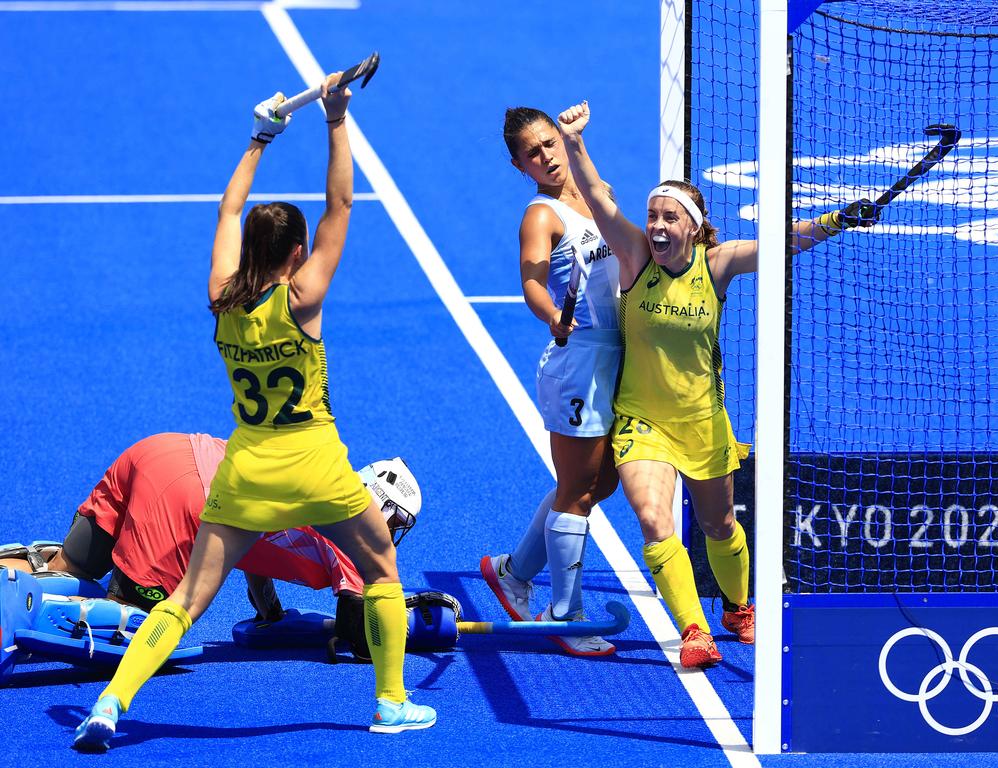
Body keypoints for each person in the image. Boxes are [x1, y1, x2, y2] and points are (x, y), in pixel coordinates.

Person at [72, 75, 434, 752]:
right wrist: (335, 119)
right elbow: (343, 202)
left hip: (245, 470)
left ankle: (110, 704)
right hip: (317, 467)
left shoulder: (221, 299)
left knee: (186, 601)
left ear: (251, 250)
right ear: (296, 254)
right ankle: (390, 701)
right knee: (382, 568)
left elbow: (224, 211)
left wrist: (259, 138)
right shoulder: (303, 298)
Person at [554, 100, 880, 668]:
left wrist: (835, 220)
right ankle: (694, 630)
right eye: (652, 215)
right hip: (642, 420)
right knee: (655, 520)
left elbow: (782, 242)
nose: (656, 225)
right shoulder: (635, 259)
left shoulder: (718, 262)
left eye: (667, 217)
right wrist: (575, 142)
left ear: (693, 226)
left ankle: (737, 605)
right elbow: (601, 202)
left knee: (719, 524)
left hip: (703, 422)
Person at [0, 432, 420, 622]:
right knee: (132, 624)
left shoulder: (315, 476)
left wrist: (269, 611)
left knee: (66, 570)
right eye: (397, 521)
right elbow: (362, 638)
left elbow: (256, 541)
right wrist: (419, 624)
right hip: (186, 498)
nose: (394, 533)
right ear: (380, 507)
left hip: (161, 450)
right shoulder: (351, 538)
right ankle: (19, 615)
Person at [480, 107, 622, 657]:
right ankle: (565, 613)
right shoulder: (540, 217)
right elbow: (533, 281)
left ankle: (513, 572)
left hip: (616, 357)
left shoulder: (593, 188)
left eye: (549, 143)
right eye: (533, 152)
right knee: (580, 491)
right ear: (521, 166)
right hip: (578, 362)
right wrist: (552, 316)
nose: (546, 155)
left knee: (598, 482)